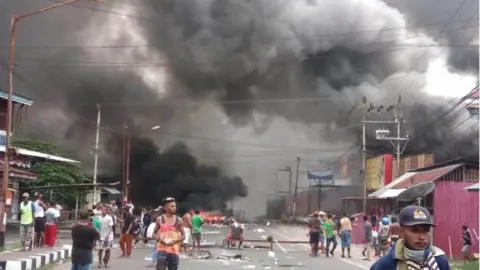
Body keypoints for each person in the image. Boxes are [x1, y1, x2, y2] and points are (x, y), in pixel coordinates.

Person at [370, 205, 450, 270]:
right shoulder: (386, 264)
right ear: (401, 232)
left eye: (426, 230)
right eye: (415, 230)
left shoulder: (439, 259)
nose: (422, 237)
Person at [154, 197, 185, 270]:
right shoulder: (159, 219)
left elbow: (183, 236)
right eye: (172, 206)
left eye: (175, 206)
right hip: (161, 249)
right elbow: (154, 233)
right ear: (165, 207)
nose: (174, 208)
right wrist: (160, 239)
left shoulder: (179, 220)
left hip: (173, 250)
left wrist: (174, 241)